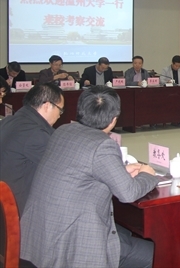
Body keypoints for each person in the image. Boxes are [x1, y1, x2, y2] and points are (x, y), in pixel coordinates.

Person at [20, 86, 158, 268]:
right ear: (114, 119)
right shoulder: (102, 145)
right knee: (157, 254)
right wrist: (148, 174)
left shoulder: (63, 130)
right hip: (72, 245)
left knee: (125, 234)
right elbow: (128, 193)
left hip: (40, 237)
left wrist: (120, 171)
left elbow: (80, 170)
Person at [0, 83, 64, 213]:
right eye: (60, 110)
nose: (60, 115)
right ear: (47, 106)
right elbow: (62, 169)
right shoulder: (35, 134)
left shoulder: (8, 121)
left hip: (5, 206)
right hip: (20, 211)